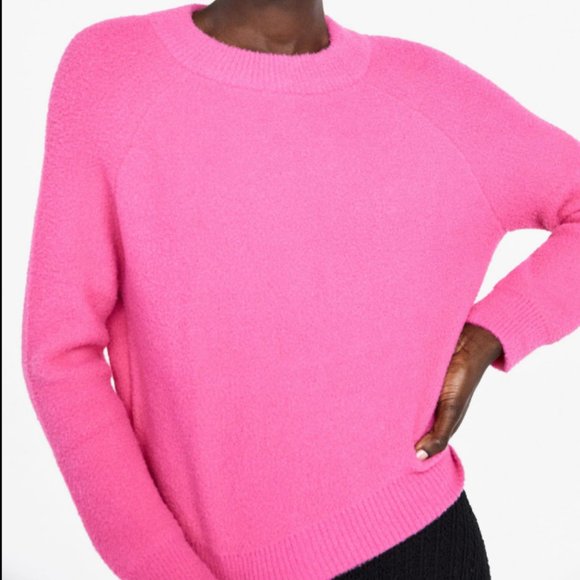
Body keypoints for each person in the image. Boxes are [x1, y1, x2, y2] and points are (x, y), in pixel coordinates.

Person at [21, 1, 579, 579]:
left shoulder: (430, 94)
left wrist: (490, 334)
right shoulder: (116, 70)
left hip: (417, 547)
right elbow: (60, 356)